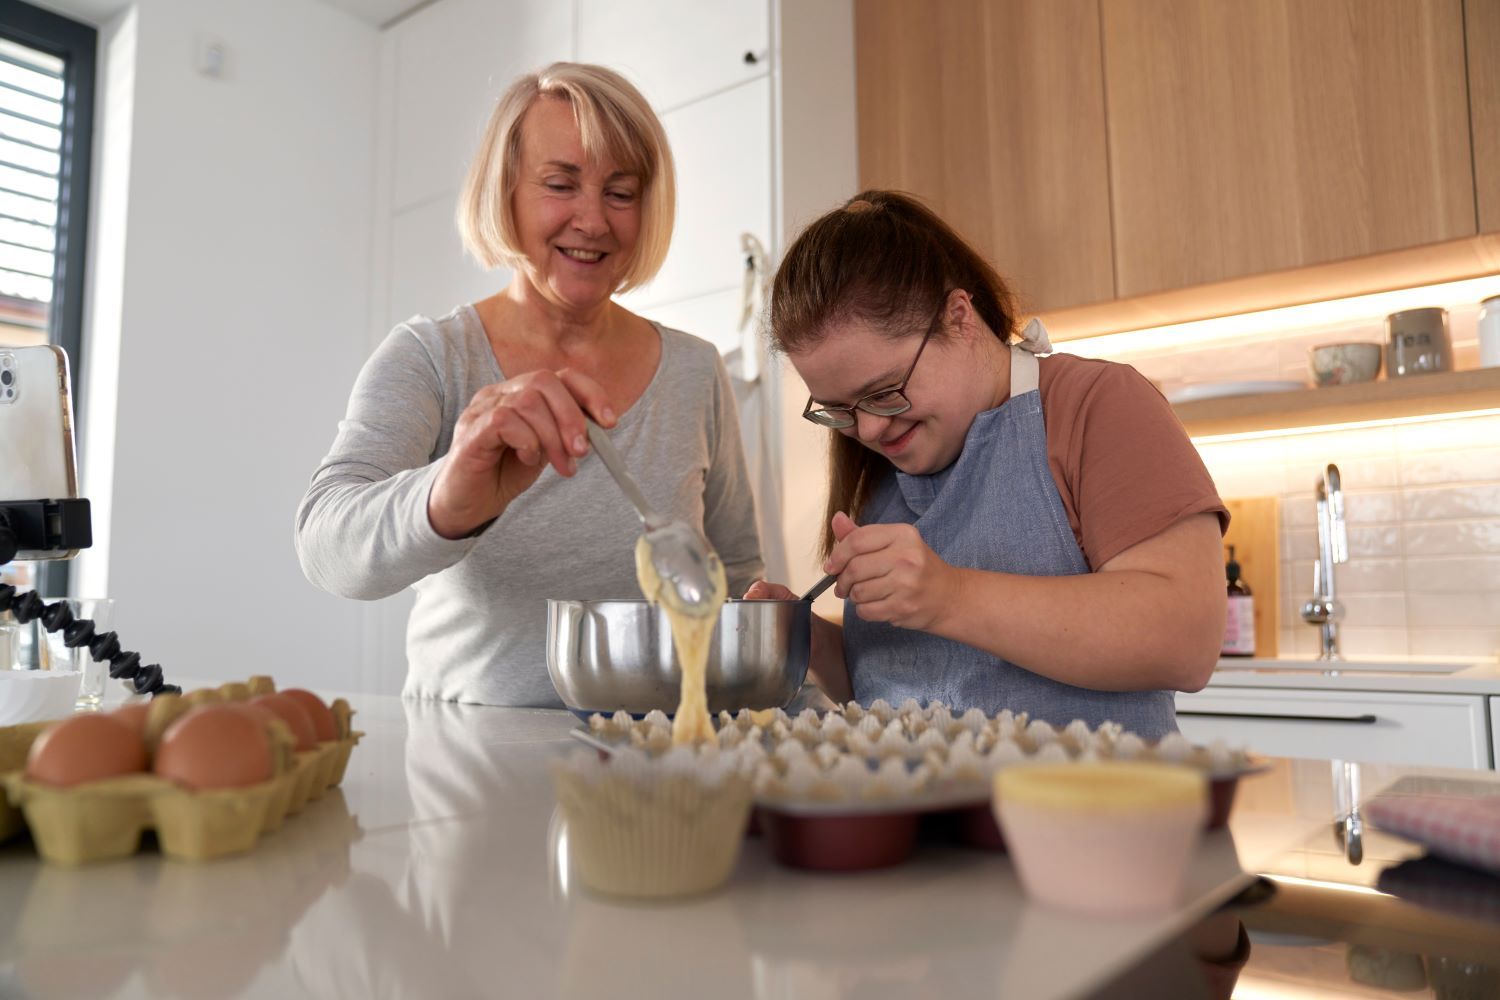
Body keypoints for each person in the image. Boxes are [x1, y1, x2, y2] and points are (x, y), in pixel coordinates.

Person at [296, 63, 763, 705]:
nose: (593, 221)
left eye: (621, 193)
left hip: (652, 772)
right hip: (469, 772)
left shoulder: (695, 370)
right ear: (505, 191)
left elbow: (736, 577)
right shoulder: (431, 359)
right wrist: (447, 495)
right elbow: (326, 546)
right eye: (560, 184)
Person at [746, 191, 1227, 738]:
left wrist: (949, 596)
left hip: (1093, 816)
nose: (871, 429)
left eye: (885, 391)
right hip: (913, 817)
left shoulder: (1098, 404)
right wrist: (803, 639)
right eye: (839, 410)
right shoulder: (879, 461)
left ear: (959, 317)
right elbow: (894, 685)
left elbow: (1185, 639)